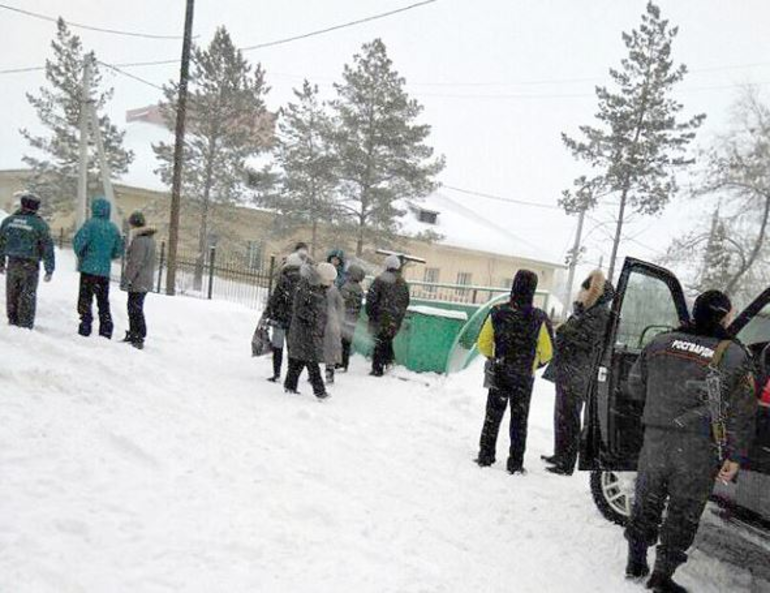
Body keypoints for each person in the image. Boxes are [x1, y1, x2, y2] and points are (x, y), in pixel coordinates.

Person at [624, 290, 757, 592]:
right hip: (699, 448)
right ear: (724, 316)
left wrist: (661, 405)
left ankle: (635, 560)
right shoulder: (735, 355)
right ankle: (661, 577)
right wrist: (735, 456)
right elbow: (742, 411)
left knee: (647, 500)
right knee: (684, 511)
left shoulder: (659, 343)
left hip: (655, 440)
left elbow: (634, 387)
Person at [475, 270, 553, 474]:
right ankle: (515, 463)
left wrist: (495, 356)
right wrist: (533, 364)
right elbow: (547, 352)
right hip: (524, 376)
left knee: (493, 415)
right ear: (533, 291)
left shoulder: (497, 312)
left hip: (500, 370)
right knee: (519, 420)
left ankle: (486, 455)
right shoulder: (539, 318)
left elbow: (483, 343)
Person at [542, 270, 614, 475]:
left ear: (594, 293)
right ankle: (559, 453)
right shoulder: (585, 312)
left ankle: (566, 462)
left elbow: (585, 339)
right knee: (561, 414)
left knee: (570, 417)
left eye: (584, 289)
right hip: (568, 370)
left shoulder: (600, 315)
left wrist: (564, 331)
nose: (580, 294)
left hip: (578, 372)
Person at [0, 193, 55, 329]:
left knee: (12, 293)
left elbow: (0, 243)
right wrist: (49, 269)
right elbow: (48, 247)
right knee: (27, 294)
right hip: (30, 265)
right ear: (36, 207)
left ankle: (12, 320)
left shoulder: (9, 221)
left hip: (12, 263)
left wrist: (1, 262)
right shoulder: (40, 225)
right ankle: (25, 324)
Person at [284, 262, 337, 399]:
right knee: (311, 362)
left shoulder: (317, 287)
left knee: (298, 361)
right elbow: (299, 308)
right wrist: (313, 317)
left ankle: (290, 386)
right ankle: (319, 391)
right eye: (330, 280)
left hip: (309, 331)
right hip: (304, 330)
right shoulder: (307, 287)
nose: (331, 284)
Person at [73, 197, 124, 339]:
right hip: (104, 271)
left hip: (88, 269)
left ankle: (85, 324)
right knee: (103, 301)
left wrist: (83, 255)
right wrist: (107, 256)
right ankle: (106, 328)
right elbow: (118, 250)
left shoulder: (90, 225)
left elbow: (78, 243)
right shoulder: (113, 228)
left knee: (85, 299)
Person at [365, 255, 410, 377]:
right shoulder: (402, 283)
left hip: (380, 318)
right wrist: (398, 314)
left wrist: (371, 313)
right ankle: (388, 362)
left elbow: (371, 299)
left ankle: (378, 369)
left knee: (379, 342)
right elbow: (406, 301)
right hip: (395, 319)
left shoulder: (380, 280)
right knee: (387, 340)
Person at [264, 253, 304, 382]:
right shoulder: (303, 280)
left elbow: (275, 298)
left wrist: (269, 312)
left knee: (278, 346)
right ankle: (290, 375)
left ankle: (277, 373)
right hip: (294, 319)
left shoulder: (283, 278)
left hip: (280, 317)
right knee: (292, 348)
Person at [120, 211, 157, 350]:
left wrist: (127, 279)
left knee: (134, 308)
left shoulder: (139, 241)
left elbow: (134, 263)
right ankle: (135, 333)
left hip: (138, 280)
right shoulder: (150, 241)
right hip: (145, 280)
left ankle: (137, 335)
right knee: (136, 307)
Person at [339, 263, 366, 372]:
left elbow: (341, 301)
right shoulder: (359, 289)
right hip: (353, 317)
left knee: (339, 340)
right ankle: (345, 363)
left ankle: (338, 362)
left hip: (344, 316)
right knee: (347, 342)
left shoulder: (346, 287)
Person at [324, 282, 345, 384]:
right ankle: (329, 370)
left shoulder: (315, 288)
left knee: (318, 348)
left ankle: (314, 372)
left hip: (321, 322)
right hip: (331, 322)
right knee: (330, 348)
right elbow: (341, 307)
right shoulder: (335, 291)